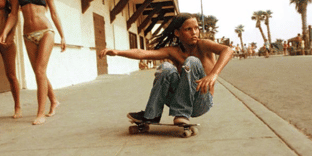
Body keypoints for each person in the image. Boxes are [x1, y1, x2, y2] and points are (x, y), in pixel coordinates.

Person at [99, 13, 233, 125]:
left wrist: (213, 74)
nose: (194, 33)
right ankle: (151, 115)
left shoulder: (203, 45)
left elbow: (227, 50)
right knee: (165, 67)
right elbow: (144, 53)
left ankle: (181, 113)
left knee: (192, 61)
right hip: (180, 98)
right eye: (188, 29)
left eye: (196, 28)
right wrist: (117, 52)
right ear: (177, 32)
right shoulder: (173, 51)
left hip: (202, 102)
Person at [0, 0, 66, 125]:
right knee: (40, 71)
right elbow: (13, 15)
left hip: (46, 31)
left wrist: (63, 35)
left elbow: (53, 13)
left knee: (39, 71)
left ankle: (40, 113)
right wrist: (4, 32)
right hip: (28, 35)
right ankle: (54, 101)